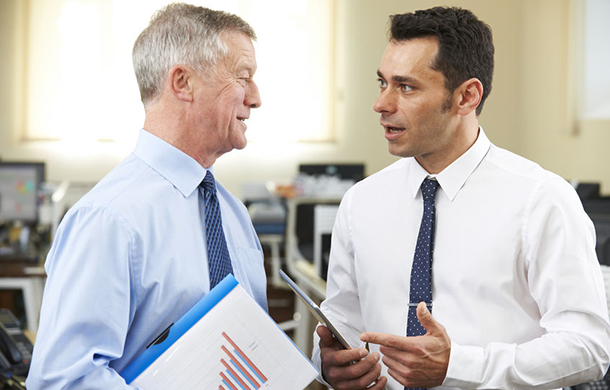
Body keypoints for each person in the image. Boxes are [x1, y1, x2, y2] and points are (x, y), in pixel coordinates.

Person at [312, 6, 610, 390]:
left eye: (406, 87)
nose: (382, 104)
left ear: (467, 96)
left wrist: (459, 365)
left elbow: (588, 347)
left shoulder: (542, 200)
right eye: (381, 82)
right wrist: (331, 364)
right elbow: (344, 324)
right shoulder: (360, 202)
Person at [26, 3, 264, 389]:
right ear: (182, 82)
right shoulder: (108, 218)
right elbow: (63, 381)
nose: (255, 98)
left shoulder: (233, 215)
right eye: (242, 77)